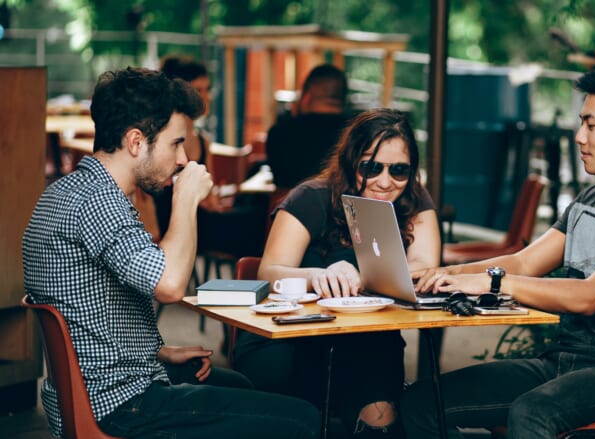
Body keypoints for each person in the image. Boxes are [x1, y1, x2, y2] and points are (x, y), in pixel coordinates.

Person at [22, 67, 319, 438]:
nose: (182, 159)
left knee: (241, 385)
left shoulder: (66, 193)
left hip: (95, 390)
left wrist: (158, 353)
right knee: (302, 419)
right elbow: (170, 286)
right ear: (135, 142)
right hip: (119, 405)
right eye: (175, 143)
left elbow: (88, 310)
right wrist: (186, 200)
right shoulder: (98, 203)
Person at [404, 66, 595, 438]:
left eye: (591, 125)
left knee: (532, 412)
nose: (579, 137)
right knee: (422, 402)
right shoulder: (590, 200)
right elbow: (525, 261)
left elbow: (591, 295)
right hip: (560, 363)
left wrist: (493, 284)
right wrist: (443, 275)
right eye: (581, 124)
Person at [232, 108, 441, 437]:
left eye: (399, 170)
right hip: (294, 337)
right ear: (351, 161)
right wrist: (318, 276)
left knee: (382, 419)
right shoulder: (311, 198)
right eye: (372, 168)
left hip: (366, 340)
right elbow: (268, 271)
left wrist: (367, 275)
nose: (385, 182)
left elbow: (426, 264)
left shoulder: (413, 199)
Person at [265, 63, 351, 189]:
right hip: (341, 207)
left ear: (307, 95)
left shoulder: (280, 132)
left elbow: (280, 181)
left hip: (290, 206)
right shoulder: (356, 132)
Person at [154, 54, 213, 237]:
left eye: (207, 90)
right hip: (165, 225)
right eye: (198, 90)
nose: (206, 97)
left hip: (198, 224)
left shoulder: (204, 142)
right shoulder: (158, 140)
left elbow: (209, 196)